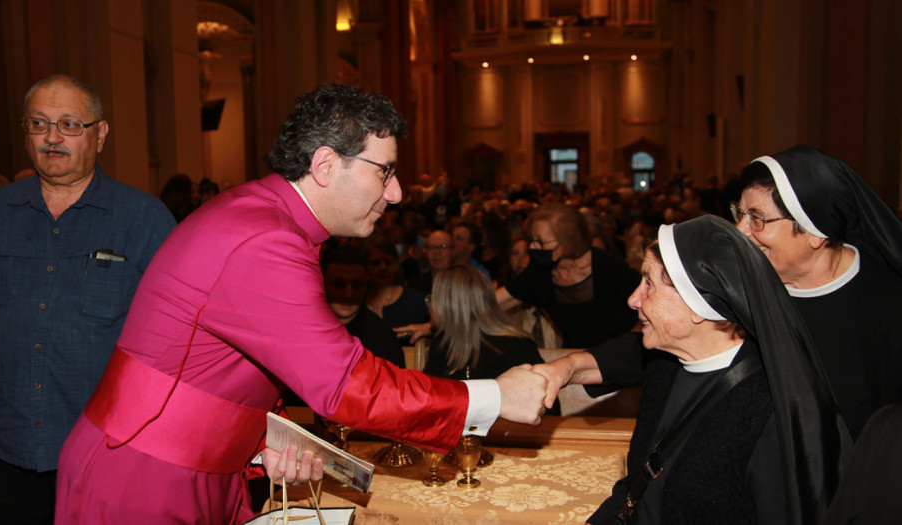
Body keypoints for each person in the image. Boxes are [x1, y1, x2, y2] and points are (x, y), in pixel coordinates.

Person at [54, 83, 547, 524]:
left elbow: (215, 368)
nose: (395, 193)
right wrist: (494, 399)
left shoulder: (271, 220)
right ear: (326, 165)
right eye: (386, 172)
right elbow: (345, 384)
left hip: (187, 466)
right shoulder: (265, 238)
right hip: (142, 480)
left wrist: (267, 439)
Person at [570, 145, 902, 440]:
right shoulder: (747, 277)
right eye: (739, 214)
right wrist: (567, 367)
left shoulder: (887, 300)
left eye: (757, 218)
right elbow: (674, 332)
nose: (741, 231)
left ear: (814, 231)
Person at [0, 74, 176, 524]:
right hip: (8, 453)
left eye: (69, 124)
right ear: (26, 134)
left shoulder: (144, 220)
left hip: (109, 455)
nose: (53, 138)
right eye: (39, 124)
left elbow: (174, 344)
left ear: (100, 135)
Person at [551, 216, 848, 524]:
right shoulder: (666, 365)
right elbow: (640, 486)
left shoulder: (769, 412)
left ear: (697, 305)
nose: (633, 299)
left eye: (649, 284)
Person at [496, 202, 639, 348]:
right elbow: (496, 300)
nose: (533, 248)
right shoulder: (540, 271)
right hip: (574, 356)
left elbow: (646, 308)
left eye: (540, 241)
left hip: (620, 355)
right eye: (531, 241)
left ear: (567, 241)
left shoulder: (608, 268)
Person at [424, 266, 561, 415]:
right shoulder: (442, 343)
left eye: (432, 298)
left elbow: (548, 408)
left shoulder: (515, 347)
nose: (430, 305)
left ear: (448, 305)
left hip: (506, 436)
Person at [321, 240, 405, 368]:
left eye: (357, 285)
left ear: (367, 285)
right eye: (339, 285)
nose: (348, 294)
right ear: (322, 284)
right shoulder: (306, 330)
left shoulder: (381, 334)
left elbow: (394, 384)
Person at [406, 229, 453, 295]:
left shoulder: (463, 283)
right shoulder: (414, 285)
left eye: (443, 247)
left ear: (453, 251)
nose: (436, 252)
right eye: (431, 248)